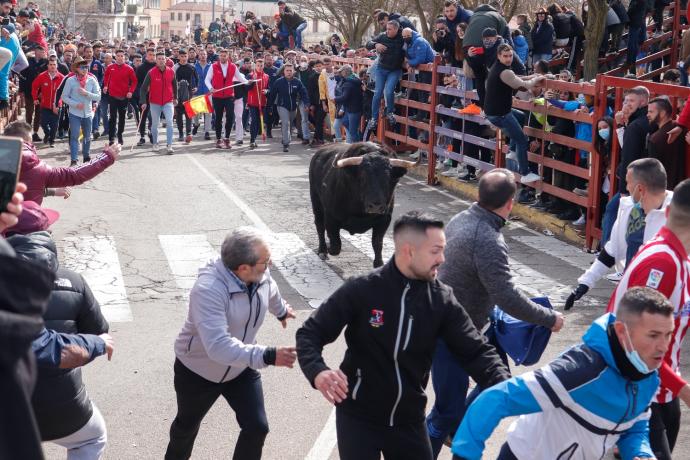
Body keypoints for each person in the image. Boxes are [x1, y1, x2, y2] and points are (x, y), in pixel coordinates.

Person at [296, 211, 511, 460]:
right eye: (435, 251)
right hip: (358, 418)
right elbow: (310, 334)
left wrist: (508, 386)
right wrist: (318, 371)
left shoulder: (441, 300)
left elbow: (476, 351)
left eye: (443, 250)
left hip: (408, 420)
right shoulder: (362, 289)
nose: (443, 259)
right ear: (409, 251)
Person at [426, 169, 563, 458]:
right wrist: (549, 318)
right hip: (450, 332)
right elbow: (507, 296)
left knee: (496, 383)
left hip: (470, 326)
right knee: (446, 411)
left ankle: (458, 429)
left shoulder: (461, 218)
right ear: (511, 203)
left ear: (479, 195)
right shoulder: (486, 238)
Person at [452, 287, 674, 460]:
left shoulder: (647, 375)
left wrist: (641, 453)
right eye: (653, 335)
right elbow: (496, 398)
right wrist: (465, 455)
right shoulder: (581, 370)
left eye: (668, 335)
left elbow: (634, 425)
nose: (663, 346)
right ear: (621, 332)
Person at [164, 227, 297, 460]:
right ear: (243, 268)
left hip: (241, 367)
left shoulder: (259, 274)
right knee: (186, 428)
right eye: (265, 262)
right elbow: (218, 347)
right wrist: (267, 355)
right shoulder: (208, 290)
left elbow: (270, 288)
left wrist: (281, 310)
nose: (270, 266)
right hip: (198, 372)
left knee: (257, 427)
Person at [606, 179, 690, 460]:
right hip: (639, 391)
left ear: (667, 213)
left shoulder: (679, 260)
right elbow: (634, 342)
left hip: (662, 390)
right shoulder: (663, 263)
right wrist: (684, 389)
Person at [10, 231, 112, 460]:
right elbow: (96, 331)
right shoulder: (73, 281)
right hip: (65, 406)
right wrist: (96, 344)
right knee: (92, 437)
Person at [566, 158, 672, 310]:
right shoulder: (629, 208)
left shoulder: (679, 214)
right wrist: (585, 283)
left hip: (667, 300)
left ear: (640, 188)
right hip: (632, 293)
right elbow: (612, 250)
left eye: (628, 182)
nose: (626, 187)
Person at [3, 120, 118, 206]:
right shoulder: (36, 167)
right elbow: (74, 174)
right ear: (28, 141)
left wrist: (51, 191)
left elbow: (22, 187)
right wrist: (106, 157)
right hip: (29, 228)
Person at [484, 44, 544, 184]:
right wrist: (539, 78)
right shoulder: (505, 72)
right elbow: (523, 85)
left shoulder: (499, 68)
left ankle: (512, 150)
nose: (508, 59)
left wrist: (532, 75)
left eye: (510, 56)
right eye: (505, 56)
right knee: (522, 140)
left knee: (521, 117)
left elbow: (516, 78)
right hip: (500, 114)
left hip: (497, 112)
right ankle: (525, 173)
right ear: (499, 56)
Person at [60, 56, 101, 166]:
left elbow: (98, 96)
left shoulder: (92, 80)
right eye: (82, 67)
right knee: (74, 136)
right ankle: (74, 160)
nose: (85, 69)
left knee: (87, 136)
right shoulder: (70, 80)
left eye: (87, 67)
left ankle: (86, 157)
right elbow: (64, 97)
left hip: (87, 113)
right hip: (74, 113)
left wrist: (87, 94)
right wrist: (75, 104)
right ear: (77, 68)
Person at [204, 48, 247, 150]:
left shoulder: (232, 66)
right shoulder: (213, 66)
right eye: (221, 56)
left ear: (228, 56)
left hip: (229, 96)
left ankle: (227, 138)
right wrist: (211, 88)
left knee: (230, 117)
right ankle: (219, 139)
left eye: (225, 56)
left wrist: (247, 81)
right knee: (218, 118)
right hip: (217, 96)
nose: (223, 57)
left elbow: (240, 78)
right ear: (219, 56)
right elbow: (207, 79)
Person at [366, 20, 405, 131]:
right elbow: (368, 44)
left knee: (388, 91)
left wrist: (410, 61)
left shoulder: (402, 37)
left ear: (397, 29)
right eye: (386, 29)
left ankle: (390, 112)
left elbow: (413, 43)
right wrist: (375, 44)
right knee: (378, 93)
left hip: (395, 70)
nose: (387, 31)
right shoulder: (382, 36)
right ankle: (374, 118)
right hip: (381, 69)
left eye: (390, 29)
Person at [140, 52, 178, 154]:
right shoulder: (151, 72)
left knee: (170, 122)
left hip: (168, 101)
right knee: (155, 124)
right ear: (156, 61)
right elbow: (143, 89)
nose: (161, 60)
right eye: (159, 59)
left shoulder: (171, 72)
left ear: (166, 60)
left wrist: (176, 98)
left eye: (163, 59)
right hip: (154, 102)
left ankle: (169, 145)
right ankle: (155, 144)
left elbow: (175, 86)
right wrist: (143, 101)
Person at [267, 63, 309, 152]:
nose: (289, 72)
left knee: (289, 125)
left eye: (290, 70)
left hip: (293, 106)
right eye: (287, 71)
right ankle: (286, 144)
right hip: (282, 105)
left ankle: (286, 139)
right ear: (284, 71)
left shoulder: (297, 82)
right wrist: (269, 106)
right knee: (285, 123)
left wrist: (306, 103)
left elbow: (304, 93)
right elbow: (272, 94)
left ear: (293, 71)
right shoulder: (279, 82)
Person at [646, 97, 686, 189]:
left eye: (651, 112)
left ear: (663, 113)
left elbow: (654, 171)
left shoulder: (655, 139)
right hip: (683, 186)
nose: (647, 115)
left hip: (665, 189)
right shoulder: (681, 128)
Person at [103, 49, 137, 146]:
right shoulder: (110, 67)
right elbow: (106, 78)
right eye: (118, 56)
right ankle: (111, 138)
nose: (120, 57)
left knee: (122, 118)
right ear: (115, 57)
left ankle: (120, 135)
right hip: (112, 96)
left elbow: (134, 81)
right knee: (112, 117)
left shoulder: (129, 68)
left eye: (122, 56)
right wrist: (105, 86)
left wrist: (131, 91)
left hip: (124, 97)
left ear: (125, 57)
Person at [31, 55, 64, 147]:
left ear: (57, 66)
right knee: (43, 123)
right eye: (50, 64)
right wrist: (35, 98)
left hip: (57, 106)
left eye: (54, 64)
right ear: (48, 66)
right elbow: (34, 87)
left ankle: (52, 140)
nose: (52, 66)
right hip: (44, 105)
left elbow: (65, 92)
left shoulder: (62, 77)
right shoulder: (42, 76)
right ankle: (47, 134)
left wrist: (58, 103)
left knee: (54, 125)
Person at [333, 64, 363, 143]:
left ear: (344, 72)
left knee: (352, 131)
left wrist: (335, 99)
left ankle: (358, 145)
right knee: (346, 122)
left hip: (353, 109)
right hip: (352, 107)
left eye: (341, 72)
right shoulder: (354, 79)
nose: (340, 74)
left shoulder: (347, 84)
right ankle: (359, 137)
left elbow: (344, 97)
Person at [173, 49, 197, 144]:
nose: (183, 58)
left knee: (188, 115)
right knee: (179, 115)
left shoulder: (191, 67)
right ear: (179, 57)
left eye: (185, 56)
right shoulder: (175, 67)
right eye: (181, 56)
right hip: (178, 94)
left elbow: (197, 78)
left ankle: (188, 133)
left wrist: (196, 87)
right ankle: (180, 133)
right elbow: (172, 80)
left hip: (189, 94)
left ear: (187, 57)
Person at [134, 47, 156, 146]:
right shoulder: (141, 68)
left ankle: (151, 131)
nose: (152, 57)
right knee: (142, 117)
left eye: (153, 55)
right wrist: (144, 88)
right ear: (146, 55)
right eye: (150, 55)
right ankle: (142, 136)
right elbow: (137, 83)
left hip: (155, 96)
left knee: (153, 117)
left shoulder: (157, 66)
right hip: (144, 96)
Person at [193, 49, 212, 141]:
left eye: (204, 54)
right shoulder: (194, 66)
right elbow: (192, 79)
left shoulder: (211, 66)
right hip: (197, 92)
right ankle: (196, 124)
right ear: (198, 56)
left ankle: (207, 131)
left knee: (208, 113)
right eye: (201, 54)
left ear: (207, 55)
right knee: (196, 113)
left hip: (208, 92)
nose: (203, 56)